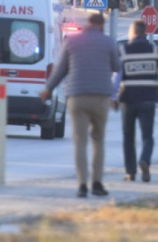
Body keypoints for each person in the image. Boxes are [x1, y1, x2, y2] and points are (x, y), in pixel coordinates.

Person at [40, 13, 120, 198]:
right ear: (101, 25)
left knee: (80, 141)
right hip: (100, 97)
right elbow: (117, 66)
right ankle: (97, 183)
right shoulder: (108, 42)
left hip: (77, 96)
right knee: (98, 141)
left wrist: (48, 89)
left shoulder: (72, 42)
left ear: (87, 25)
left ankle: (82, 185)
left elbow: (60, 70)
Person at [113, 19, 158, 182]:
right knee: (147, 136)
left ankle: (130, 172)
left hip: (128, 99)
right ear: (144, 32)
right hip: (148, 98)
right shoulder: (154, 50)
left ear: (133, 32)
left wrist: (113, 97)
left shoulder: (124, 51)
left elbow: (117, 78)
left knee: (128, 136)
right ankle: (144, 160)